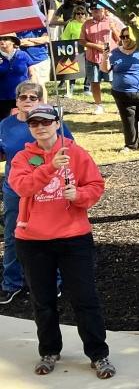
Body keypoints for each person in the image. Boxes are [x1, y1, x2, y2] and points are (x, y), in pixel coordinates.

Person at [9, 104, 115, 379]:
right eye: (34, 123)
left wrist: (78, 195)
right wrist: (49, 167)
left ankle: (99, 355)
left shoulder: (76, 154)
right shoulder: (23, 157)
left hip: (73, 238)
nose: (41, 127)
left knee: (85, 299)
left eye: (46, 121)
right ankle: (49, 351)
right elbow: (21, 187)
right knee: (43, 301)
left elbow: (95, 185)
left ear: (57, 123)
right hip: (33, 240)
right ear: (30, 128)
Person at [0, 83, 75, 304]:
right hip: (16, 189)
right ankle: (11, 283)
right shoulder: (5, 125)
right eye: (23, 96)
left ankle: (54, 282)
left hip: (49, 188)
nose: (28, 100)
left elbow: (71, 149)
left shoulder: (52, 123)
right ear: (16, 101)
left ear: (41, 100)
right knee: (13, 235)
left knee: (50, 234)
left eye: (33, 96)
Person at [101, 26, 139, 152]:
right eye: (122, 37)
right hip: (122, 93)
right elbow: (104, 69)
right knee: (128, 120)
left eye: (127, 36)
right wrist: (105, 57)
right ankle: (131, 145)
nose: (125, 39)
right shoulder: (114, 53)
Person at [82, 5, 122, 115]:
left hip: (110, 57)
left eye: (98, 10)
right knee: (94, 82)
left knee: (114, 82)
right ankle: (99, 105)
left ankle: (119, 105)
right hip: (92, 57)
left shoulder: (112, 21)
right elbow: (82, 41)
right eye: (93, 10)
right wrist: (96, 46)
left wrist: (113, 29)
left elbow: (120, 40)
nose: (95, 12)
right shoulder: (87, 23)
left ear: (103, 10)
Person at [0, 33, 33, 114]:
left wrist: (33, 90)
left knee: (24, 120)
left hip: (22, 95)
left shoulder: (23, 55)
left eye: (5, 39)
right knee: (3, 123)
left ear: (13, 42)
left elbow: (32, 73)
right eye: (0, 39)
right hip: (2, 97)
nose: (2, 41)